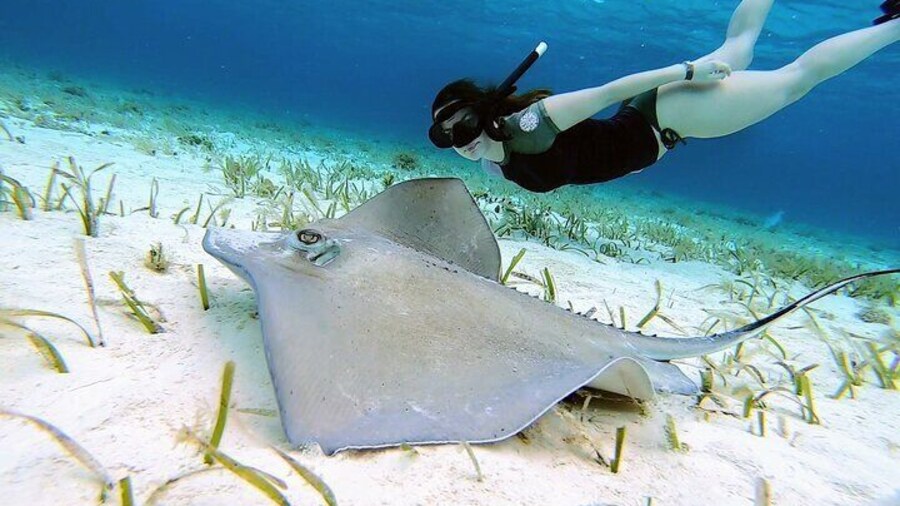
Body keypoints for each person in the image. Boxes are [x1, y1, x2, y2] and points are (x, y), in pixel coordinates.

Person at [428, 0, 900, 193]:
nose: (459, 142)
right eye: (442, 136)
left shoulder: (531, 123)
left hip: (670, 116)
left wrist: (688, 71)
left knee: (795, 80)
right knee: (737, 49)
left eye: (464, 127)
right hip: (656, 117)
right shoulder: (491, 160)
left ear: (485, 116)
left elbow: (609, 91)